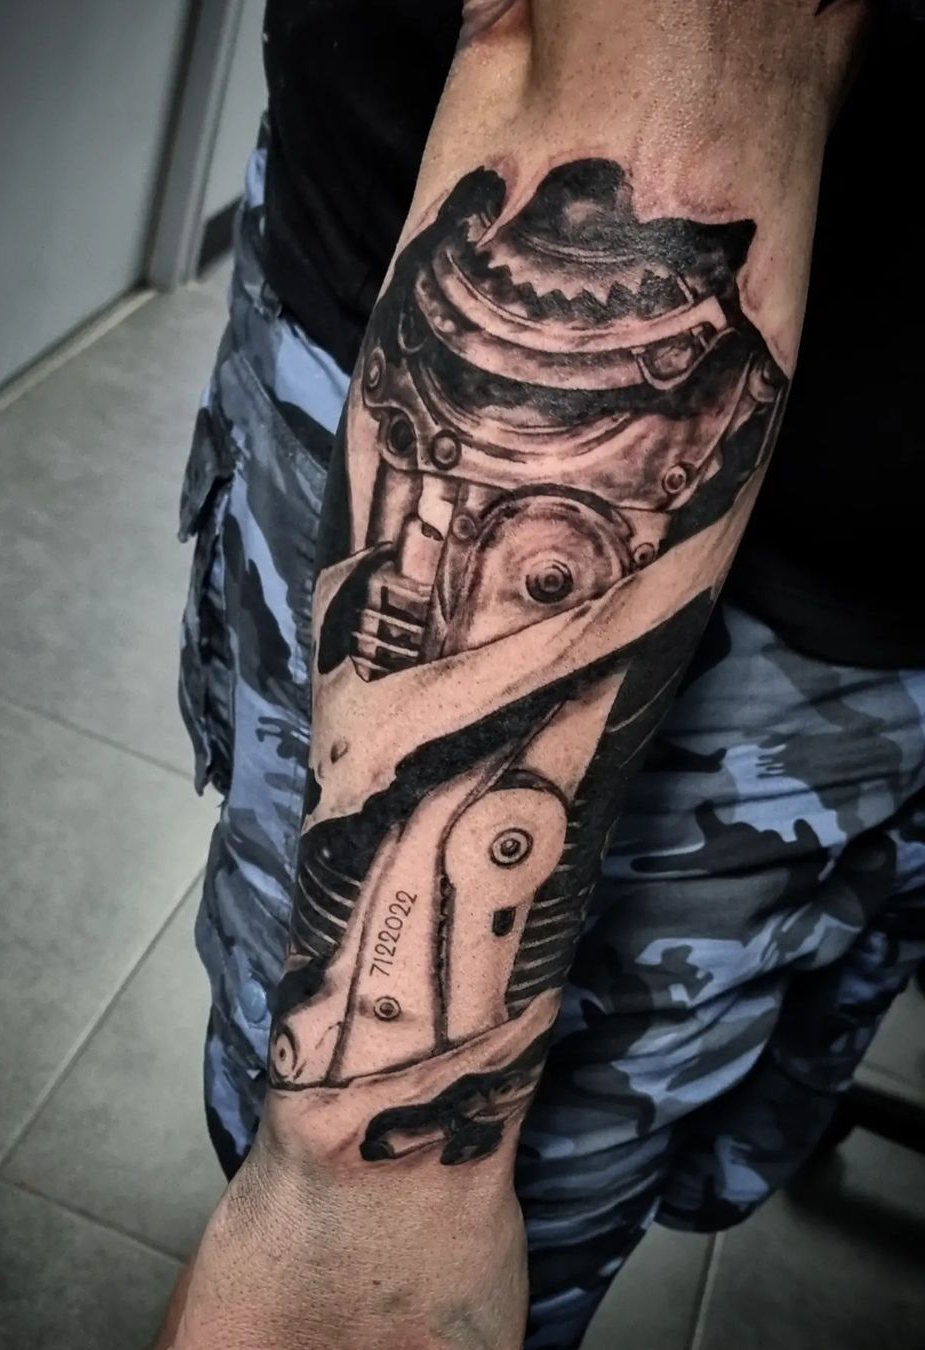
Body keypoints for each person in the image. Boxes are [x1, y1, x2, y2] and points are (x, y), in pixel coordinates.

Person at [165, 2, 925, 1346]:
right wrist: (365, 1174)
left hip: (813, 578)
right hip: (424, 326)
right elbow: (678, 93)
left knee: (505, 1190)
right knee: (393, 1225)